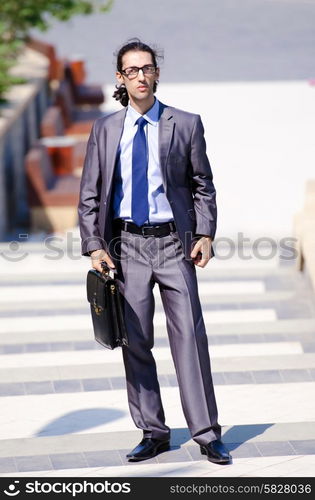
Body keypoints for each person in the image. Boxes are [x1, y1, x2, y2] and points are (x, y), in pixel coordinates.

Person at [78, 38, 231, 465]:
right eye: (132, 70)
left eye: (147, 68)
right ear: (120, 78)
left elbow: (203, 184)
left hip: (173, 245)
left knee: (190, 339)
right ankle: (153, 431)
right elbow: (90, 193)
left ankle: (206, 432)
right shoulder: (106, 129)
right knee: (136, 340)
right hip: (125, 247)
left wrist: (204, 234)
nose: (141, 76)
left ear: (157, 73)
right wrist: (94, 246)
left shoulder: (185, 123)